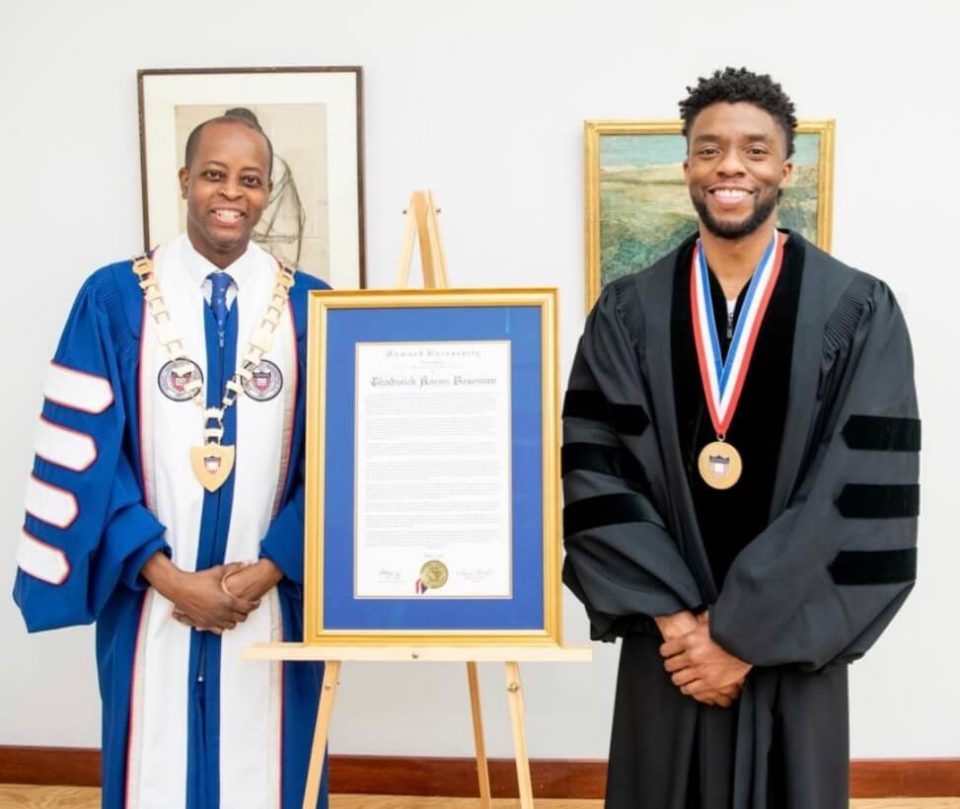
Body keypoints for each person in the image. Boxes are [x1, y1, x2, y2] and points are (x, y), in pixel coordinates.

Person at [562, 67, 919, 809]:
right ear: (687, 165)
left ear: (786, 169)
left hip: (789, 650)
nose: (731, 166)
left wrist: (738, 635)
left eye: (754, 150)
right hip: (672, 653)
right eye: (710, 148)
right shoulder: (627, 313)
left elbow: (855, 497)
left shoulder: (859, 311)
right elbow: (598, 475)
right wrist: (682, 625)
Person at [14, 108, 329, 809]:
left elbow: (336, 466)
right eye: (214, 174)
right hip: (148, 592)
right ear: (184, 179)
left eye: (250, 180)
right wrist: (167, 575)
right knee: (152, 759)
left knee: (275, 766)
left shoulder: (312, 307)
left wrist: (273, 566)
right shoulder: (114, 296)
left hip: (273, 593)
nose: (231, 193)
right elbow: (89, 457)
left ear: (266, 189)